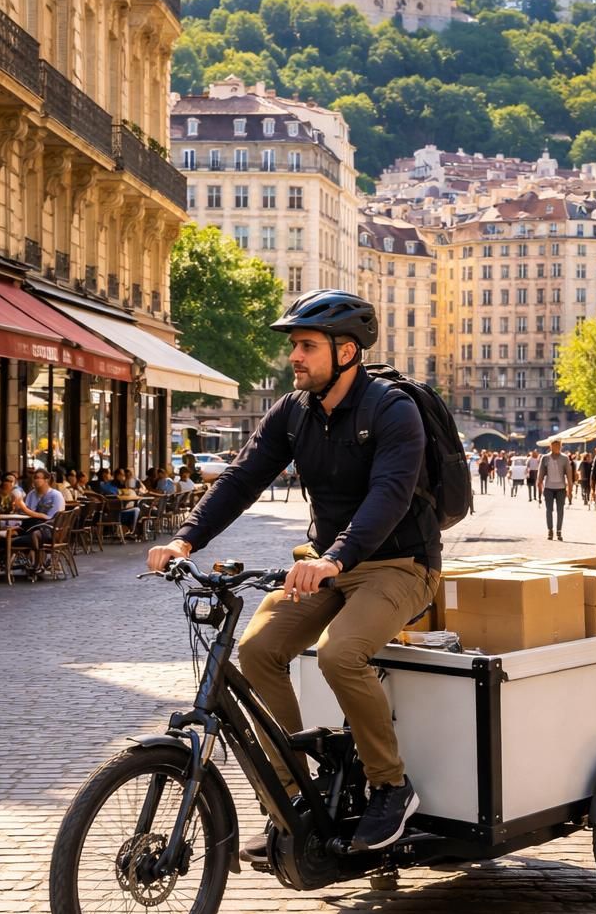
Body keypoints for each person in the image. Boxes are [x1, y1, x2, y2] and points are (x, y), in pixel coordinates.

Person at [147, 289, 441, 859]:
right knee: (258, 650)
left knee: (340, 654)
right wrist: (186, 537)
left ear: (347, 352)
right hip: (325, 561)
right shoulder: (294, 411)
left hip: (400, 562)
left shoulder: (391, 409)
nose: (294, 357)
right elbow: (242, 478)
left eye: (307, 346)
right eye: (295, 346)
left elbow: (390, 494)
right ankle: (293, 800)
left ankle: (390, 785)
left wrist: (336, 557)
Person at [11, 467, 65, 576]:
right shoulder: (32, 494)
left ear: (46, 480)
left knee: (35, 533)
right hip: (32, 525)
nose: (35, 480)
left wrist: (25, 509)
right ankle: (26, 562)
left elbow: (49, 517)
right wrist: (18, 508)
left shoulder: (55, 495)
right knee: (12, 532)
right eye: (34, 478)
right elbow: (28, 513)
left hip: (52, 529)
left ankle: (37, 564)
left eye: (38, 478)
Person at [537, 438, 572, 542]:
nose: (556, 447)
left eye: (558, 445)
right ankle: (550, 530)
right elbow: (541, 473)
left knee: (560, 510)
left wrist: (570, 489)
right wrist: (539, 484)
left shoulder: (565, 458)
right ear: (550, 446)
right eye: (554, 445)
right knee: (549, 510)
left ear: (561, 446)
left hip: (561, 488)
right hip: (548, 488)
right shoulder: (545, 458)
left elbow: (569, 474)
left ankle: (559, 531)